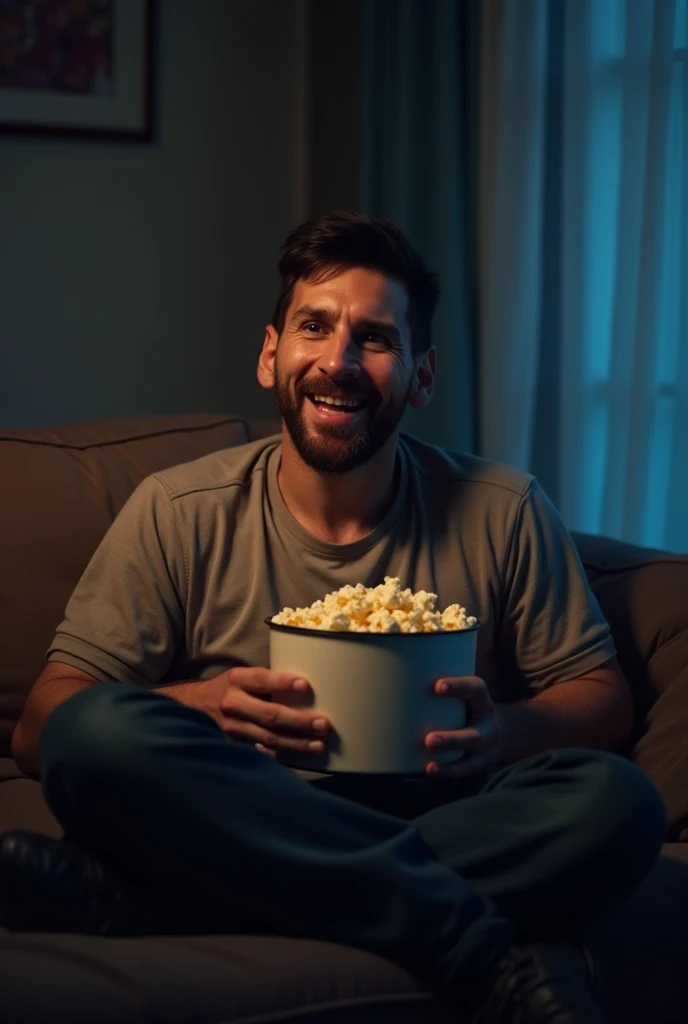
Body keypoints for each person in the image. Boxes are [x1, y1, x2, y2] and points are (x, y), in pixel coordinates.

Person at [2, 211, 665, 1023]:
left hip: (442, 807)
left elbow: (600, 694)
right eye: (315, 327)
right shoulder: (180, 510)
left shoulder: (503, 509)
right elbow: (42, 726)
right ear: (270, 353)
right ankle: (467, 941)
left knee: (618, 804)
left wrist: (505, 733)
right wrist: (199, 707)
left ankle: (154, 907)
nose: (339, 361)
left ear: (421, 375)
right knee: (96, 731)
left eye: (376, 338)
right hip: (235, 801)